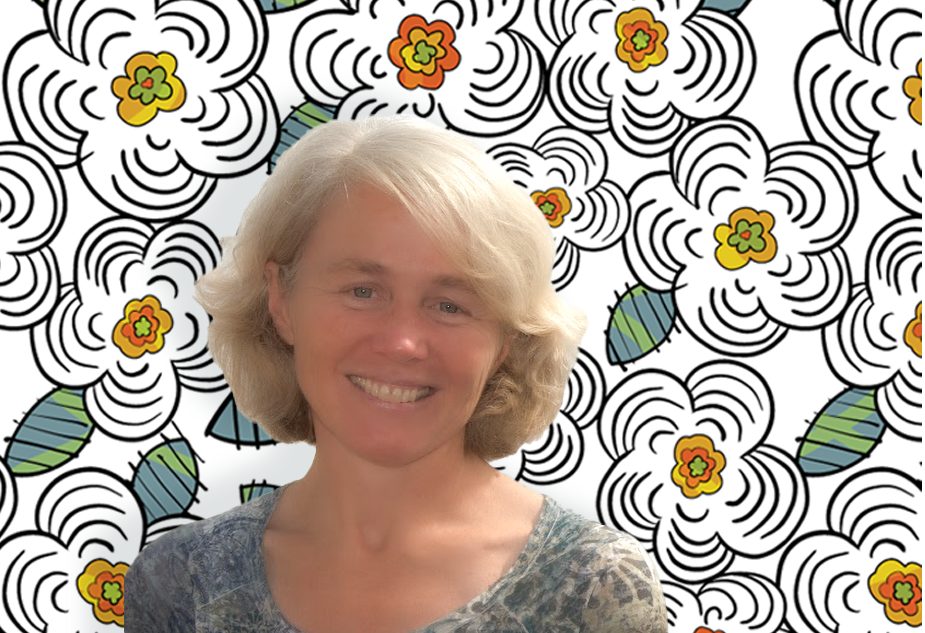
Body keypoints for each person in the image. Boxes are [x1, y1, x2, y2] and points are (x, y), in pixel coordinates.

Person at [124, 116, 667, 632]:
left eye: (450, 305)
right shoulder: (181, 582)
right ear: (281, 300)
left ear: (505, 340)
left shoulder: (593, 586)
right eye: (363, 291)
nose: (403, 342)